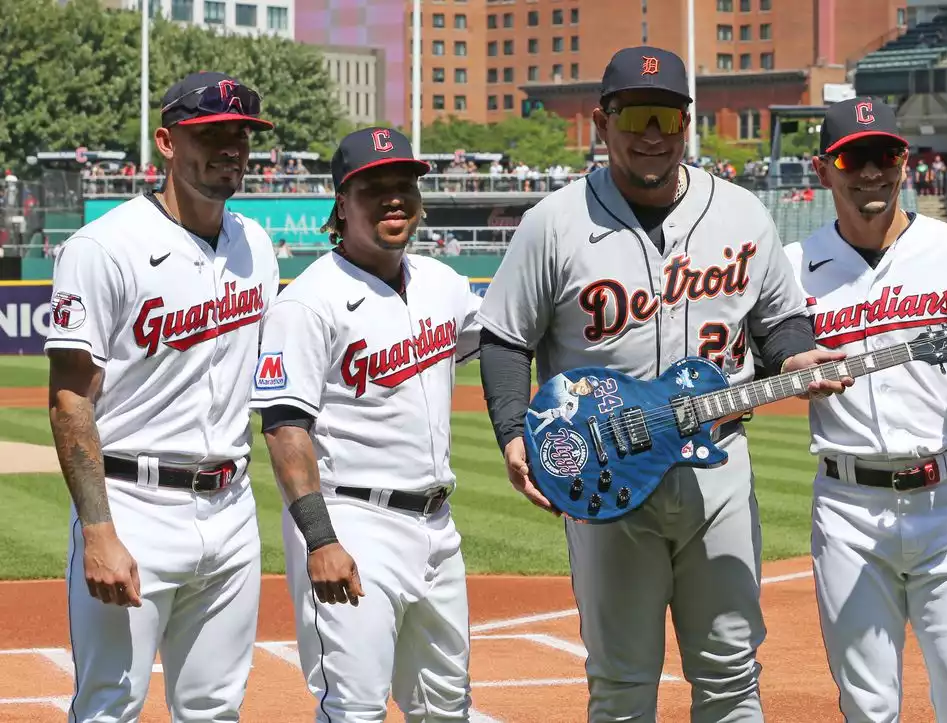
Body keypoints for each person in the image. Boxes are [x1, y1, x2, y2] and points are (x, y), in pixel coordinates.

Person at [475, 45, 849, 722]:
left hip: (718, 463)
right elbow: (505, 335)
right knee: (620, 683)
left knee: (732, 673)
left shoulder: (741, 214)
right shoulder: (554, 223)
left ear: (687, 124)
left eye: (668, 117)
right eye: (637, 114)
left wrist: (794, 355)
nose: (653, 133)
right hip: (607, 475)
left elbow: (781, 318)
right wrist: (511, 432)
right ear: (603, 121)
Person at [44, 71, 278, 721]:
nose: (232, 146)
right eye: (212, 133)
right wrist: (98, 530)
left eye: (242, 134)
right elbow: (70, 398)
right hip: (134, 505)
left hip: (231, 509)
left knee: (214, 706)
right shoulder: (103, 246)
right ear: (167, 141)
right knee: (110, 705)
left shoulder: (256, 247)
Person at [783, 96, 947, 723]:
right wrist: (787, 368)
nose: (871, 172)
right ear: (823, 169)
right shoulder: (793, 266)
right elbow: (759, 360)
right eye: (852, 157)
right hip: (848, 507)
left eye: (884, 155)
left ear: (903, 161)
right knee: (869, 704)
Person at [250, 126, 481, 721]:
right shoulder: (308, 302)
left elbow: (509, 341)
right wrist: (320, 539)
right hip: (353, 521)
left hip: (437, 527)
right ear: (341, 203)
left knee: (445, 707)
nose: (393, 198)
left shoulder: (443, 284)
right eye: (373, 187)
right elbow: (283, 428)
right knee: (354, 709)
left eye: (403, 184)